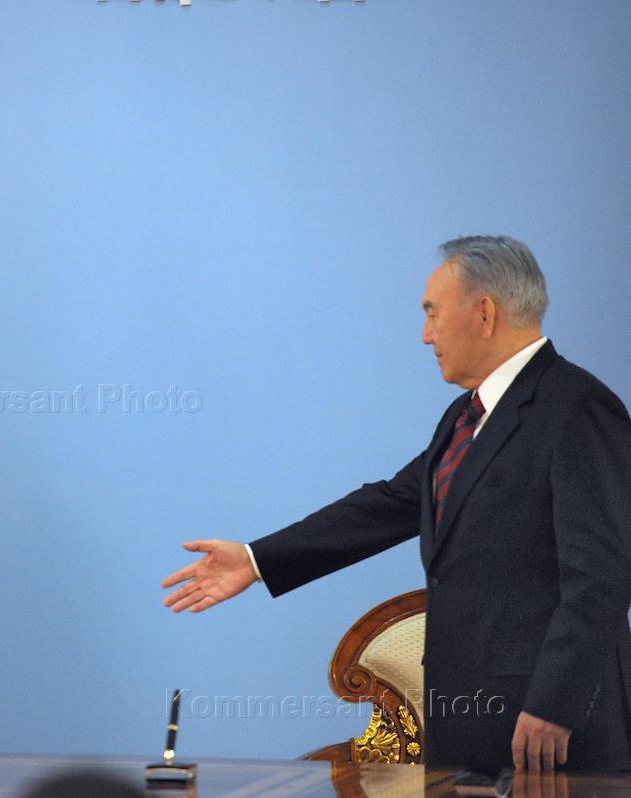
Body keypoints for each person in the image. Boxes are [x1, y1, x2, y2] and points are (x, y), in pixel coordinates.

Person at [161, 236, 631, 773]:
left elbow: (602, 575)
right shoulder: (466, 415)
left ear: (483, 313)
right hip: (467, 723)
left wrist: (555, 705)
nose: (425, 335)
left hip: (547, 729)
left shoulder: (578, 407)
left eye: (432, 313)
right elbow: (388, 504)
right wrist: (255, 559)